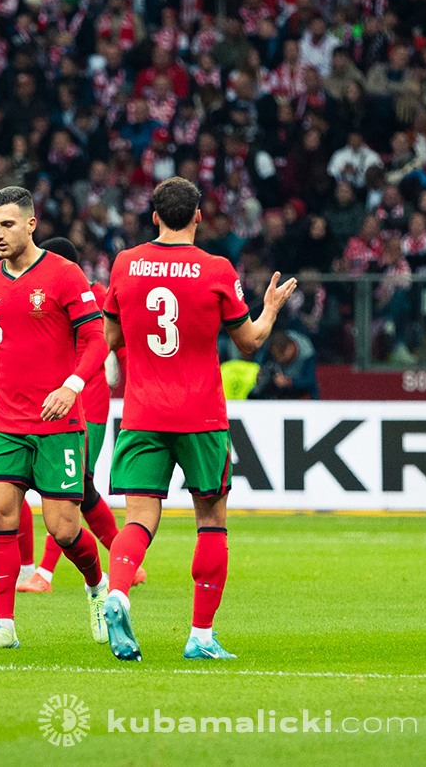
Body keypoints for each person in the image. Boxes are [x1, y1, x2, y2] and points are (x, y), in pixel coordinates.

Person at [100, 177, 298, 661]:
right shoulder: (215, 268)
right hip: (200, 415)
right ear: (196, 217)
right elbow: (248, 343)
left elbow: (109, 337)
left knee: (140, 516)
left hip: (143, 411)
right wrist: (270, 310)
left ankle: (120, 591)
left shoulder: (125, 263)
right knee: (211, 519)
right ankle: (201, 637)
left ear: (153, 217)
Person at [0, 186, 111, 650]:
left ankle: (96, 586)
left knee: (64, 529)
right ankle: (3, 626)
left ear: (31, 224)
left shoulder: (65, 274)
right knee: (0, 516)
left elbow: (97, 341)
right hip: (4, 420)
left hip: (58, 423)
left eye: (7, 224)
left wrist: (71, 387)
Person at [19, 236, 145, 595]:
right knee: (83, 489)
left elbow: (113, 342)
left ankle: (44, 572)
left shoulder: (94, 294)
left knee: (67, 490)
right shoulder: (42, 297)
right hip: (57, 404)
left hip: (87, 406)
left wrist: (135, 382)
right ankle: (128, 563)